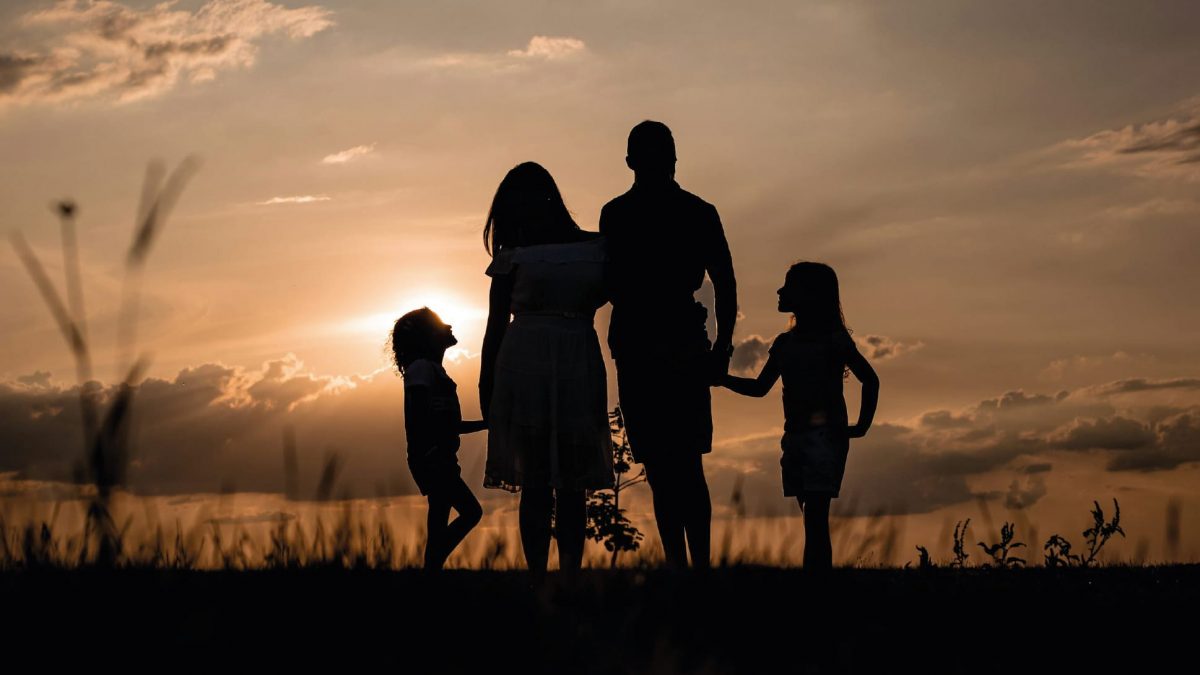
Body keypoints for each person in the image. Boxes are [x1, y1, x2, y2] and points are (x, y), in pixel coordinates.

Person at [600, 120, 737, 569]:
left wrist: (723, 348)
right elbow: (724, 281)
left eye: (667, 151)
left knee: (681, 462)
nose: (665, 160)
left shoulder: (697, 211)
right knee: (662, 465)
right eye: (658, 152)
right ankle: (684, 566)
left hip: (675, 343)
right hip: (646, 345)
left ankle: (694, 566)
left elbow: (725, 280)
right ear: (632, 161)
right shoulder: (618, 214)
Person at [479, 161, 613, 577]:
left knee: (569, 481)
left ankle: (566, 572)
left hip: (573, 361)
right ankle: (540, 574)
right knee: (538, 480)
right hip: (526, 365)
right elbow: (495, 324)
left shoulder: (596, 248)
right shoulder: (514, 256)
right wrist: (487, 384)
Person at [719, 262, 879, 570]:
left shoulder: (833, 341)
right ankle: (816, 584)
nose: (780, 291)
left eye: (789, 286)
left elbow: (870, 380)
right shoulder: (784, 344)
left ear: (810, 295)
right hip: (793, 438)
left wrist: (861, 426)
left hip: (825, 438)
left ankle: (815, 586)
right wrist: (722, 379)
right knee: (810, 515)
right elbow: (758, 388)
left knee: (815, 518)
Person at [390, 307, 487, 570]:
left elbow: (447, 425)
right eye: (440, 324)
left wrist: (486, 424)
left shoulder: (431, 370)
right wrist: (431, 449)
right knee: (471, 512)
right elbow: (422, 418)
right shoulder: (422, 369)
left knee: (439, 520)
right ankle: (431, 564)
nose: (449, 326)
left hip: (439, 457)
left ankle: (430, 575)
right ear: (427, 336)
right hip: (433, 459)